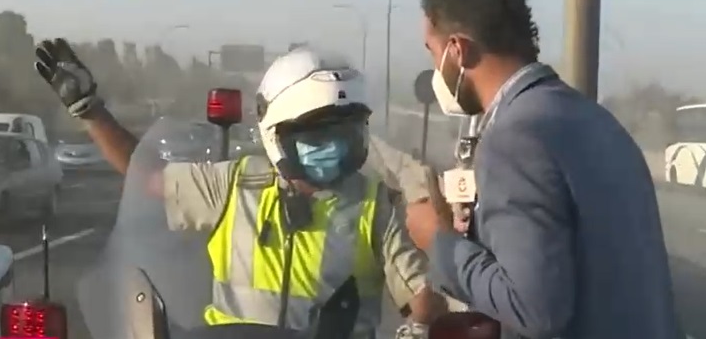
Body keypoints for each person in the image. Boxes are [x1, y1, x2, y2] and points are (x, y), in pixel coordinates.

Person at [34, 39, 446, 338]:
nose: (333, 150)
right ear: (276, 135)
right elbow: (146, 175)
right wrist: (90, 109)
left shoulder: (372, 204)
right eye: (317, 137)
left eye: (345, 135)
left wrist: (419, 326)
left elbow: (422, 292)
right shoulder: (234, 184)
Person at [404, 0, 680, 338]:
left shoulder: (515, 138)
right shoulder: (595, 120)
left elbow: (536, 310)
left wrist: (440, 244)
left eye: (433, 54)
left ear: (458, 51)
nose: (435, 70)